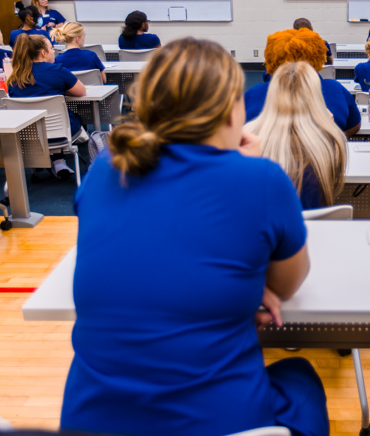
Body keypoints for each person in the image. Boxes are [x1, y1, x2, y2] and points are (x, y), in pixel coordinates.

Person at [60, 38, 328, 436]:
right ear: (230, 112)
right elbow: (289, 284)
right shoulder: (262, 180)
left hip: (90, 420)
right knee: (301, 379)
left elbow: (142, 253)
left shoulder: (104, 167)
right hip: (218, 424)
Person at [247, 61, 346, 211]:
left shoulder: (248, 138)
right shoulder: (331, 142)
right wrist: (328, 126)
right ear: (316, 95)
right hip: (316, 229)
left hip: (265, 230)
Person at [245, 28, 361, 137]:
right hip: (323, 156)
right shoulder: (335, 89)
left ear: (272, 61)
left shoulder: (254, 94)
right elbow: (354, 126)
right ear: (317, 61)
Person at [7, 34, 86, 179]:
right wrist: (61, 88)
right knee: (75, 117)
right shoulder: (57, 70)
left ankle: (54, 161)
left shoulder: (14, 76)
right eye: (51, 48)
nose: (54, 51)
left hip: (27, 135)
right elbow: (81, 92)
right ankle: (60, 160)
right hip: (60, 133)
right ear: (43, 53)